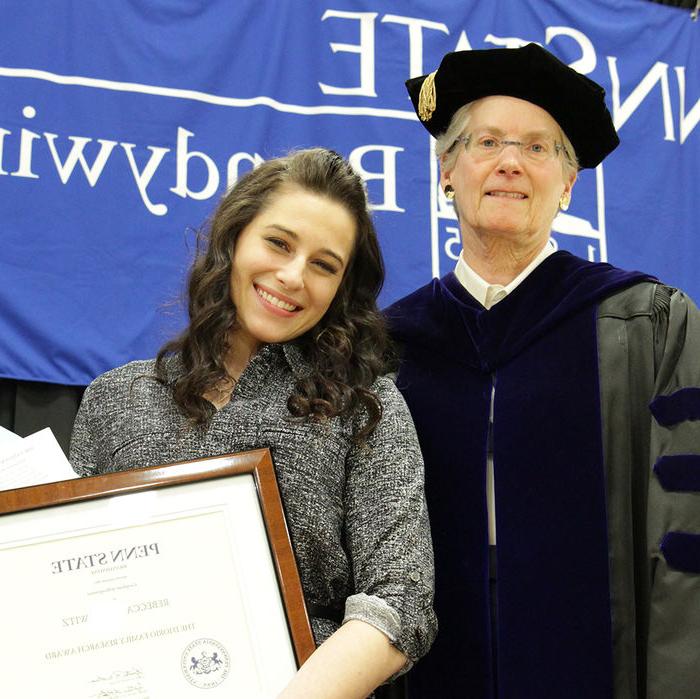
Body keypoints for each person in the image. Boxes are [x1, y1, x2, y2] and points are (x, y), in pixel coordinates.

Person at [385, 44, 700, 699]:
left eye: (538, 148)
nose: (509, 162)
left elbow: (686, 537)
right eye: (488, 141)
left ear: (569, 183)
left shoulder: (646, 322)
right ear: (447, 171)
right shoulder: (388, 348)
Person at [70, 148, 436, 699]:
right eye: (279, 243)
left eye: (324, 264)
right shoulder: (115, 399)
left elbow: (400, 599)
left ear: (342, 287)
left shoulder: (367, 407)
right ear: (234, 237)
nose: (292, 276)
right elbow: (67, 587)